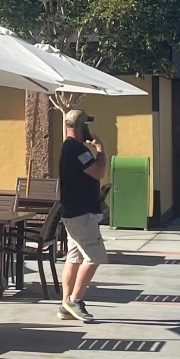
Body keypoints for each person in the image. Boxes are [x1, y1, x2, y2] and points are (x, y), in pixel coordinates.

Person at [56, 108, 107, 323]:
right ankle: (75, 299)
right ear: (79, 127)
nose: (89, 129)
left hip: (73, 212)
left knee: (74, 257)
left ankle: (65, 304)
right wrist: (101, 150)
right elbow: (98, 172)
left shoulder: (69, 148)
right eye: (86, 125)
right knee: (95, 256)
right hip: (82, 213)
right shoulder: (78, 150)